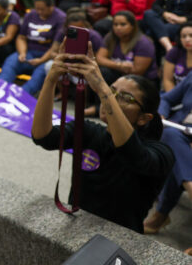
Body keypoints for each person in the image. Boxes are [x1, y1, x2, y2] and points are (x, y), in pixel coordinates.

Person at [33, 51, 173, 234]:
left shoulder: (162, 153)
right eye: (113, 90)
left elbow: (131, 152)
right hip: (77, 227)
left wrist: (103, 88)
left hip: (122, 239)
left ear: (143, 118)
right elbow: (42, 136)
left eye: (126, 97)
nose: (112, 98)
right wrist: (51, 80)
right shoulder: (89, 131)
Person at [143, 72, 192, 249]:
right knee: (171, 137)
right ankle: (189, 185)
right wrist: (162, 115)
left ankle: (161, 215)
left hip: (180, 139)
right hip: (181, 131)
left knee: (173, 148)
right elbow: (166, 98)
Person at [0, 0, 66, 95]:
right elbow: (21, 37)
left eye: (42, 9)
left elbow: (55, 47)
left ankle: (21, 95)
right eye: (36, 8)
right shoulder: (30, 15)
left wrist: (41, 60)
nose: (38, 12)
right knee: (11, 61)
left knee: (41, 72)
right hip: (29, 51)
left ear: (51, 7)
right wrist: (22, 53)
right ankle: (0, 89)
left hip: (47, 56)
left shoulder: (61, 18)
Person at [97, 11, 158, 86]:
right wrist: (119, 65)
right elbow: (99, 59)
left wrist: (111, 64)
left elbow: (137, 71)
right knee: (101, 72)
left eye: (123, 24)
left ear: (132, 26)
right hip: (120, 76)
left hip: (142, 82)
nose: (118, 28)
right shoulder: (110, 37)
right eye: (115, 24)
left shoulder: (144, 43)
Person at [161, 22, 192, 93]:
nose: (187, 40)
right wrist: (173, 99)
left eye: (191, 36)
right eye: (184, 36)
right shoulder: (174, 52)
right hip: (176, 95)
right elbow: (168, 80)